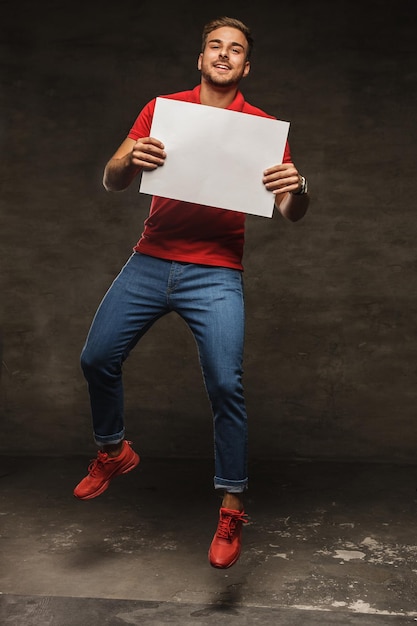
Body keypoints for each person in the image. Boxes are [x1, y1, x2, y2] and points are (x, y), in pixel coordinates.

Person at [74, 16, 310, 569]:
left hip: (217, 271)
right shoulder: (163, 110)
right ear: (200, 59)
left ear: (246, 66)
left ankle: (231, 504)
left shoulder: (263, 129)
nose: (224, 55)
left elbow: (290, 212)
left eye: (236, 50)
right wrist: (127, 160)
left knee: (226, 383)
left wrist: (298, 188)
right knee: (96, 357)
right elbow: (112, 179)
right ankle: (113, 451)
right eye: (215, 47)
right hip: (151, 260)